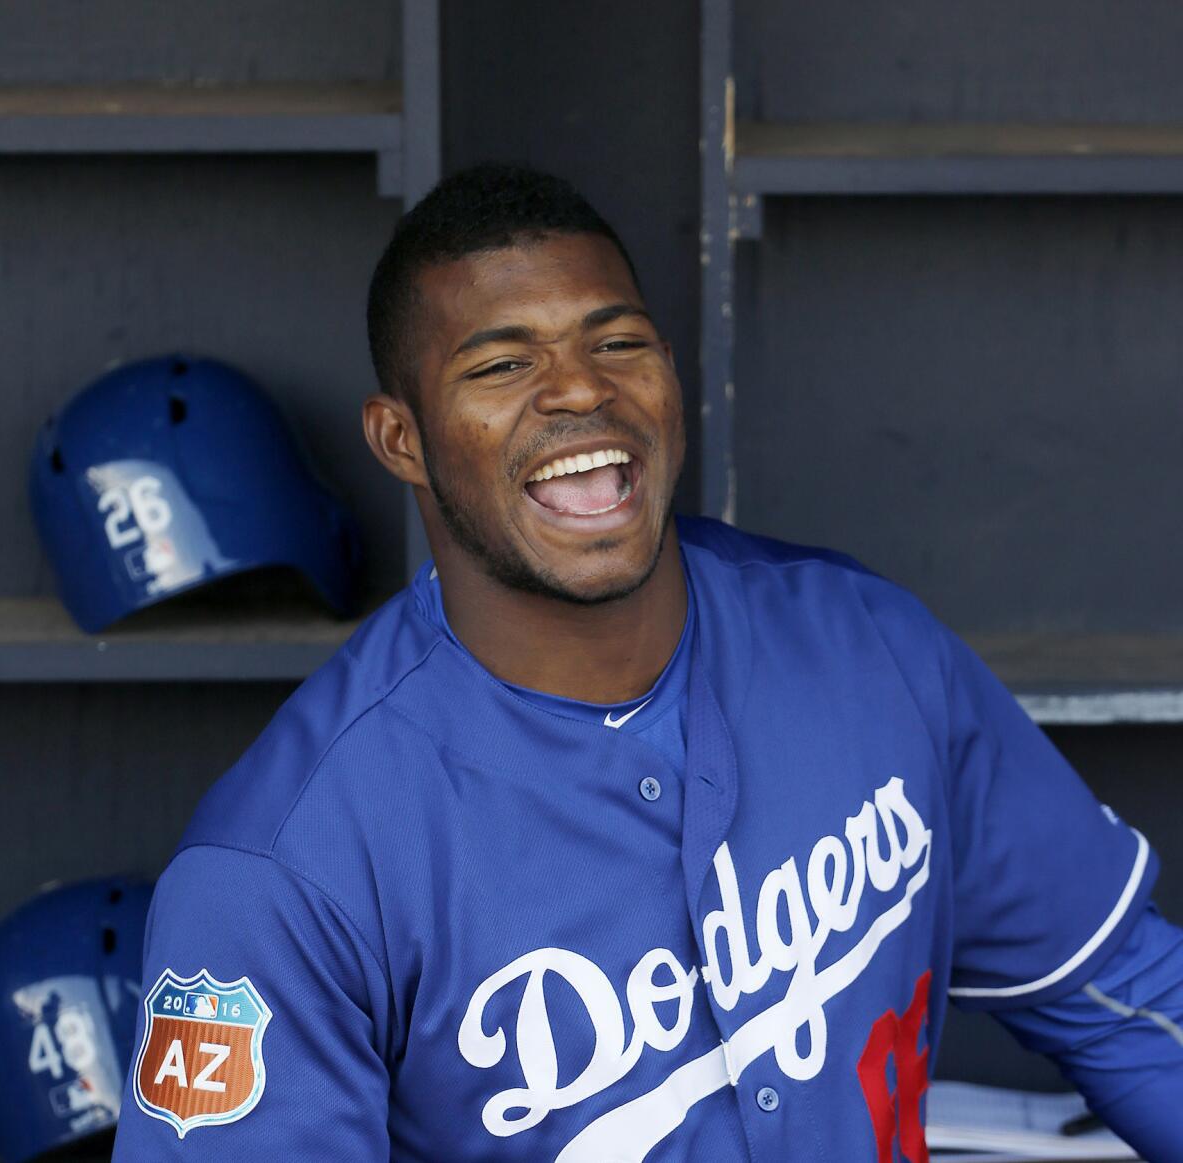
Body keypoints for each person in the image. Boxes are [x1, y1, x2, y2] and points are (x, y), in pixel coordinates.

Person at [113, 164, 1183, 1162]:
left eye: (617, 343)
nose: (579, 391)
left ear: (670, 373)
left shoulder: (867, 645)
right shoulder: (279, 871)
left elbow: (1123, 994)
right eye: (501, 363)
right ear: (402, 439)